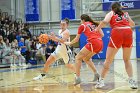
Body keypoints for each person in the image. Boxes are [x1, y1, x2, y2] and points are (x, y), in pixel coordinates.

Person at [94, 2, 137, 89]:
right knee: (127, 59)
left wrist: (97, 29)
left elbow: (104, 22)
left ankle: (101, 81)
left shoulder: (111, 13)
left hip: (117, 32)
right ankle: (132, 81)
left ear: (112, 8)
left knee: (108, 59)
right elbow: (132, 24)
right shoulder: (125, 14)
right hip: (128, 32)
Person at [64, 14, 104, 85]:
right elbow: (102, 35)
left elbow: (76, 39)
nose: (80, 22)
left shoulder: (83, 25)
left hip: (93, 42)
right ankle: (96, 74)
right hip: (100, 43)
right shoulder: (94, 24)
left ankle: (78, 78)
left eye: (80, 20)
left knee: (77, 58)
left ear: (83, 20)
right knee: (86, 58)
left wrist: (69, 43)